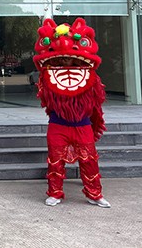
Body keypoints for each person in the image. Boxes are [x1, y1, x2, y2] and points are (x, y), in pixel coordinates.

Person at [33, 17, 111, 208]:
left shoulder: (91, 77)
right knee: (55, 161)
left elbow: (96, 103)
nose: (66, 60)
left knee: (89, 161)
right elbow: (46, 100)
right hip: (58, 125)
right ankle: (55, 193)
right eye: (62, 58)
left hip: (82, 125)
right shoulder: (47, 77)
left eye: (69, 58)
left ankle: (95, 194)